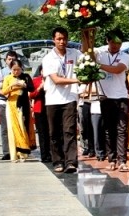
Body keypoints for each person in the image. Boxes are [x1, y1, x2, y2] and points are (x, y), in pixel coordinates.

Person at [42, 26, 82, 173]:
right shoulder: (48, 58)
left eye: (64, 38)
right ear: (53, 40)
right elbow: (56, 80)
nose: (62, 41)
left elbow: (88, 57)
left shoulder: (74, 53)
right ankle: (58, 161)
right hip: (53, 99)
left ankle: (71, 162)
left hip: (70, 98)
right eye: (59, 38)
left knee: (69, 130)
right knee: (54, 132)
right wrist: (77, 80)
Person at [95, 29, 129, 172]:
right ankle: (112, 160)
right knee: (109, 130)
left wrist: (97, 65)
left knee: (121, 129)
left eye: (118, 42)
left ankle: (122, 160)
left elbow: (117, 70)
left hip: (121, 96)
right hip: (105, 97)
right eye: (112, 42)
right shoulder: (100, 54)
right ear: (107, 41)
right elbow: (86, 51)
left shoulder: (125, 56)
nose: (115, 45)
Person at [1, 59, 35, 162]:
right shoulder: (7, 78)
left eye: (18, 69)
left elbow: (31, 88)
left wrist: (23, 85)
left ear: (21, 68)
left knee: (23, 127)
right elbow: (3, 92)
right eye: (14, 69)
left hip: (23, 105)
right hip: (12, 106)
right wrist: (12, 86)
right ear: (10, 69)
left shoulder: (26, 77)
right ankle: (15, 153)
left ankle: (23, 152)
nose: (16, 72)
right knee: (13, 129)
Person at [0, 50, 18, 160]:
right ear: (5, 61)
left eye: (13, 59)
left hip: (16, 103)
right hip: (4, 102)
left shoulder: (20, 71)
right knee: (5, 129)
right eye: (9, 59)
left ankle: (18, 149)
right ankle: (6, 151)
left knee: (17, 127)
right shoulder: (1, 72)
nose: (11, 61)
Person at [29, 65, 51, 163]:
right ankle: (44, 155)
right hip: (40, 109)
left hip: (51, 108)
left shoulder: (52, 79)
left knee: (52, 133)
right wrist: (39, 88)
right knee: (42, 133)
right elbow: (31, 95)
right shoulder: (36, 80)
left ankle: (53, 154)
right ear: (41, 71)